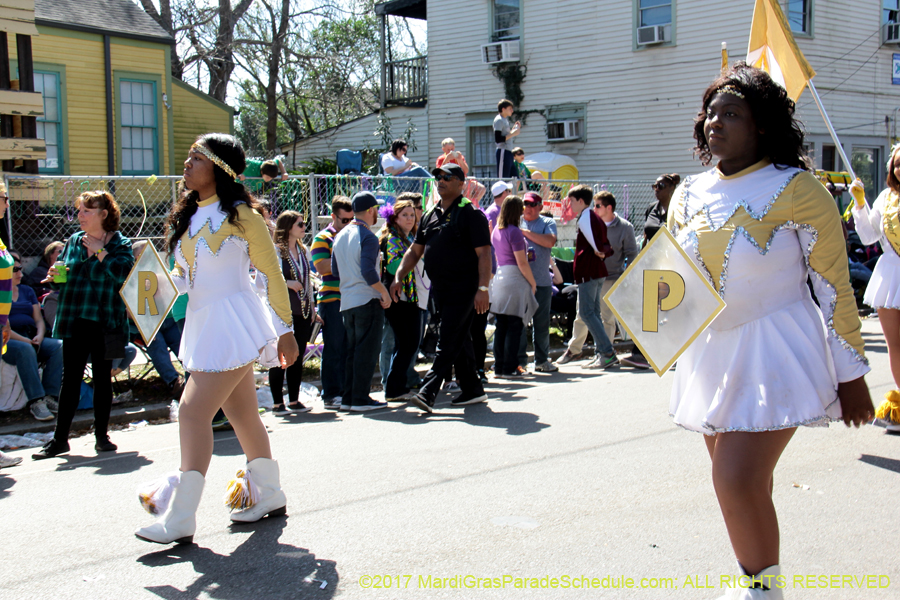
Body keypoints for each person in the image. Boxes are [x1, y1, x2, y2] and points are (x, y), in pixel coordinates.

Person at [669, 63, 873, 598]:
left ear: (761, 125)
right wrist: (657, 333)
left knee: (735, 479)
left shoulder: (798, 189)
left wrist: (851, 374)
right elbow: (673, 281)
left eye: (731, 114)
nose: (715, 122)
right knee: (741, 481)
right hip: (710, 356)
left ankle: (764, 591)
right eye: (710, 113)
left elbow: (832, 287)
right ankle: (758, 581)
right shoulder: (686, 194)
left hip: (776, 346)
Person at [135, 133, 300, 545]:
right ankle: (270, 493)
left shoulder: (243, 215)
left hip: (232, 321)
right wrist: (148, 290)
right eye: (189, 157)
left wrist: (286, 331)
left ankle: (180, 517)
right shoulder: (188, 216)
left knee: (192, 413)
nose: (187, 164)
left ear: (221, 168)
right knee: (243, 414)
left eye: (196, 158)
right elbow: (186, 278)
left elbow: (270, 273)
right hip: (203, 321)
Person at [32, 191, 134, 459]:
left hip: (106, 321)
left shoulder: (120, 242)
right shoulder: (74, 240)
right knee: (70, 380)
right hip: (75, 318)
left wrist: (100, 251)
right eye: (79, 210)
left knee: (102, 379)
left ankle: (102, 436)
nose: (80, 215)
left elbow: (124, 275)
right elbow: (63, 278)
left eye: (87, 211)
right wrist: (55, 278)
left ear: (104, 214)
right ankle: (59, 440)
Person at [392, 164, 491, 412]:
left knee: (447, 338)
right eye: (439, 177)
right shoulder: (429, 214)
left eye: (448, 177)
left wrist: (483, 288)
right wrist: (398, 275)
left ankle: (427, 392)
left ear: (461, 183)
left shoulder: (470, 214)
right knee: (459, 337)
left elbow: (484, 254)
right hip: (440, 289)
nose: (441, 181)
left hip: (464, 288)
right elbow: (415, 251)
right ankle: (472, 390)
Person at [558, 192, 644, 367]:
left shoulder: (623, 226)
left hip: (609, 277)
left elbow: (629, 253)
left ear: (608, 207)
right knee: (585, 314)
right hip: (595, 274)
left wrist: (626, 277)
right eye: (594, 205)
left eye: (598, 205)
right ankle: (578, 350)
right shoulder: (593, 220)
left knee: (602, 317)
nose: (595, 208)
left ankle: (605, 352)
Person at [850, 145, 900, 432]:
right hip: (891, 276)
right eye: (897, 164)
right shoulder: (885, 198)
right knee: (896, 345)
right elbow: (869, 237)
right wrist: (860, 204)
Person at [332, 191, 391, 412]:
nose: (377, 214)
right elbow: (368, 271)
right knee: (366, 351)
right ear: (370, 210)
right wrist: (383, 292)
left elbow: (335, 271)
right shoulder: (368, 236)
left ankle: (349, 398)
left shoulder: (340, 235)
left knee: (352, 351)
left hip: (347, 301)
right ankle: (360, 399)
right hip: (367, 299)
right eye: (376, 210)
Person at [4, 252, 63, 421]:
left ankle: (51, 396)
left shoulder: (27, 291)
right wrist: (27, 341)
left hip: (31, 335)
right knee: (25, 349)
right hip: (8, 339)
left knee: (59, 346)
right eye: (15, 270)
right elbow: (4, 327)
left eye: (20, 268)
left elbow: (38, 319)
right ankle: (36, 401)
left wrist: (39, 335)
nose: (20, 273)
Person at [269, 210, 317, 416]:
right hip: (283, 312)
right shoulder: (276, 251)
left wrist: (312, 307)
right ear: (288, 227)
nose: (304, 227)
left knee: (297, 355)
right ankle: (277, 403)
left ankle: (294, 400)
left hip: (302, 310)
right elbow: (266, 280)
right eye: (300, 224)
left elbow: (308, 280)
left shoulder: (302, 250)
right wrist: (287, 283)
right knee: (281, 356)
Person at [565, 185, 617, 370]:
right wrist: (602, 252)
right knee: (593, 313)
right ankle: (602, 353)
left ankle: (607, 353)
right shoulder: (593, 216)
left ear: (581, 201)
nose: (570, 204)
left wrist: (600, 251)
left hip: (589, 272)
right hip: (596, 271)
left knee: (587, 313)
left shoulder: (586, 216)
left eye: (572, 201)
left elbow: (596, 244)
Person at [378, 197, 422, 401]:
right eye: (404, 215)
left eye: (412, 215)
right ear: (394, 218)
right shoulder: (393, 239)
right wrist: (415, 258)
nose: (410, 219)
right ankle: (393, 388)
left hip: (410, 297)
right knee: (406, 343)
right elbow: (394, 267)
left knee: (408, 343)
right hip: (398, 298)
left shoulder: (409, 238)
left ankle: (397, 386)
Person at [311, 196, 353, 409]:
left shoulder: (352, 235)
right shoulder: (323, 238)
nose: (348, 224)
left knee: (347, 349)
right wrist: (351, 258)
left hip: (351, 298)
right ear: (333, 217)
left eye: (351, 220)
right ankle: (330, 394)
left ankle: (345, 392)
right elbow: (322, 267)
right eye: (344, 220)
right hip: (331, 300)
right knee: (334, 349)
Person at [490, 195, 538, 378]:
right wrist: (532, 283)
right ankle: (510, 367)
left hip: (500, 277)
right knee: (514, 325)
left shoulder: (496, 230)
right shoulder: (515, 231)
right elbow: (522, 262)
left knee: (501, 325)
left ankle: (499, 367)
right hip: (514, 279)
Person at [516, 191, 558, 373]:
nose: (529, 208)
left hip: (542, 282)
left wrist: (525, 232)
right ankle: (520, 363)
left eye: (533, 204)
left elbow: (550, 241)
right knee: (519, 324)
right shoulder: (516, 221)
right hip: (521, 282)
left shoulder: (547, 223)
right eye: (526, 204)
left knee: (541, 325)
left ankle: (541, 360)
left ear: (540, 207)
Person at [643, 173, 680, 247]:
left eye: (661, 186)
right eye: (655, 186)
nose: (657, 189)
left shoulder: (677, 210)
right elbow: (645, 236)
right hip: (652, 253)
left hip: (670, 252)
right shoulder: (651, 208)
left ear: (672, 188)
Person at [494, 99, 521, 179]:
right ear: (503, 109)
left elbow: (507, 135)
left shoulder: (505, 120)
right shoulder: (499, 120)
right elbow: (498, 139)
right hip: (503, 151)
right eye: (510, 109)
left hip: (509, 151)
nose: (512, 111)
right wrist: (513, 133)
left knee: (515, 178)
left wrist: (514, 129)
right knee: (503, 179)